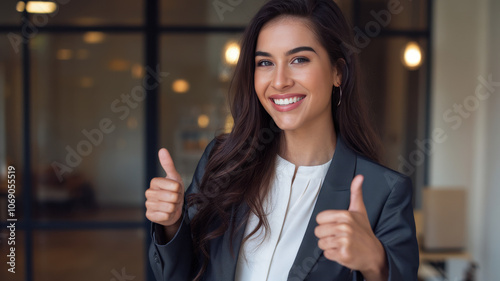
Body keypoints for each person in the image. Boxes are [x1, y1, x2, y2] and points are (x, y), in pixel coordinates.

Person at [145, 0, 419, 280]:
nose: (279, 81)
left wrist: (375, 262)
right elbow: (179, 274)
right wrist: (171, 224)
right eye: (265, 62)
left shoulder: (384, 192)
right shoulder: (224, 162)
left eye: (299, 59)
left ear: (338, 71)